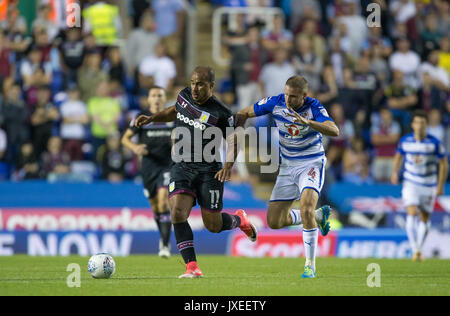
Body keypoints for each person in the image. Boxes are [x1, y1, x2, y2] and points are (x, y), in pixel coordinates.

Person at [134, 66, 257, 278]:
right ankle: (192, 266)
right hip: (181, 166)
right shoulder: (184, 96)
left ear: (211, 85)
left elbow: (234, 138)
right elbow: (174, 111)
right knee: (178, 212)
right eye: (193, 83)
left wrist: (228, 165)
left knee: (213, 225)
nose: (195, 88)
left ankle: (239, 220)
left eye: (200, 84)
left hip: (209, 170)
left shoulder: (221, 113)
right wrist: (152, 118)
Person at [235, 75, 339, 278]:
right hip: (287, 166)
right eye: (286, 94)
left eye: (293, 97)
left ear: (304, 96)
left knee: (306, 207)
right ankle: (319, 215)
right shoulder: (276, 102)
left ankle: (310, 265)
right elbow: (245, 112)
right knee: (274, 221)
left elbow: (334, 130)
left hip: (311, 163)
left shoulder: (314, 107)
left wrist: (308, 122)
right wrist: (236, 129)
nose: (288, 100)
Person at [121, 86, 174, 258]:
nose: (157, 98)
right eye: (153, 95)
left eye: (160, 95)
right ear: (148, 99)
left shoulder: (172, 117)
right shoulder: (141, 117)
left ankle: (165, 245)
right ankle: (163, 236)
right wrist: (135, 147)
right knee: (155, 206)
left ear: (165, 99)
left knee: (163, 201)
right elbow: (125, 138)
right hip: (148, 166)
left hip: (167, 165)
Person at [391, 110, 448, 262]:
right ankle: (415, 249)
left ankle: (419, 249)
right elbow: (398, 156)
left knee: (424, 217)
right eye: (417, 123)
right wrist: (395, 172)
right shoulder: (405, 141)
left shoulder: (434, 143)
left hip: (429, 184)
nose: (420, 126)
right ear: (413, 125)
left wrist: (440, 184)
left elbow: (443, 164)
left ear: (426, 125)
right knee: (411, 212)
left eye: (423, 123)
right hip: (410, 182)